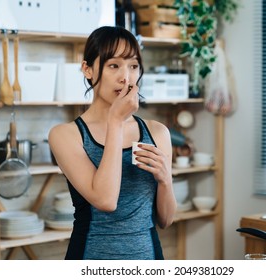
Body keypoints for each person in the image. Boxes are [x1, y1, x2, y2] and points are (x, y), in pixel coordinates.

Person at [48, 26, 177, 260]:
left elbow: (165, 221)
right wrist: (116, 121)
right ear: (87, 69)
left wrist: (165, 180)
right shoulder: (66, 135)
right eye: (114, 65)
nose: (125, 77)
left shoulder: (157, 133)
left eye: (134, 66)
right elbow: (106, 200)